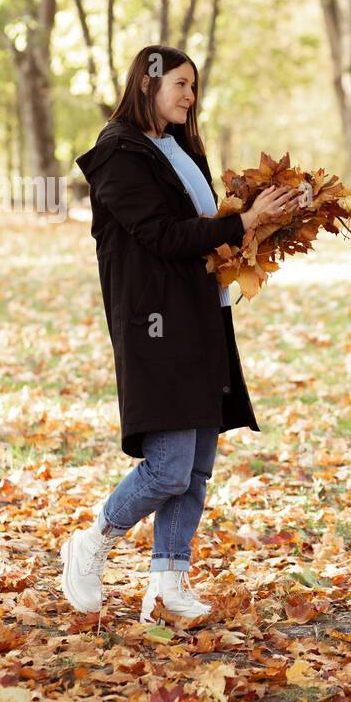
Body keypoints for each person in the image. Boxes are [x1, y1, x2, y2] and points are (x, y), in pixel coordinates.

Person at [65, 44, 297, 626]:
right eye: (181, 84)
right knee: (167, 465)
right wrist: (242, 220)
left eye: (194, 85)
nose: (190, 96)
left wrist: (265, 221)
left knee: (195, 468)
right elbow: (164, 236)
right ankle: (91, 543)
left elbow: (206, 231)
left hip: (201, 316)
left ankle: (167, 582)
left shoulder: (180, 147)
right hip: (155, 323)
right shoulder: (119, 154)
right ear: (147, 84)